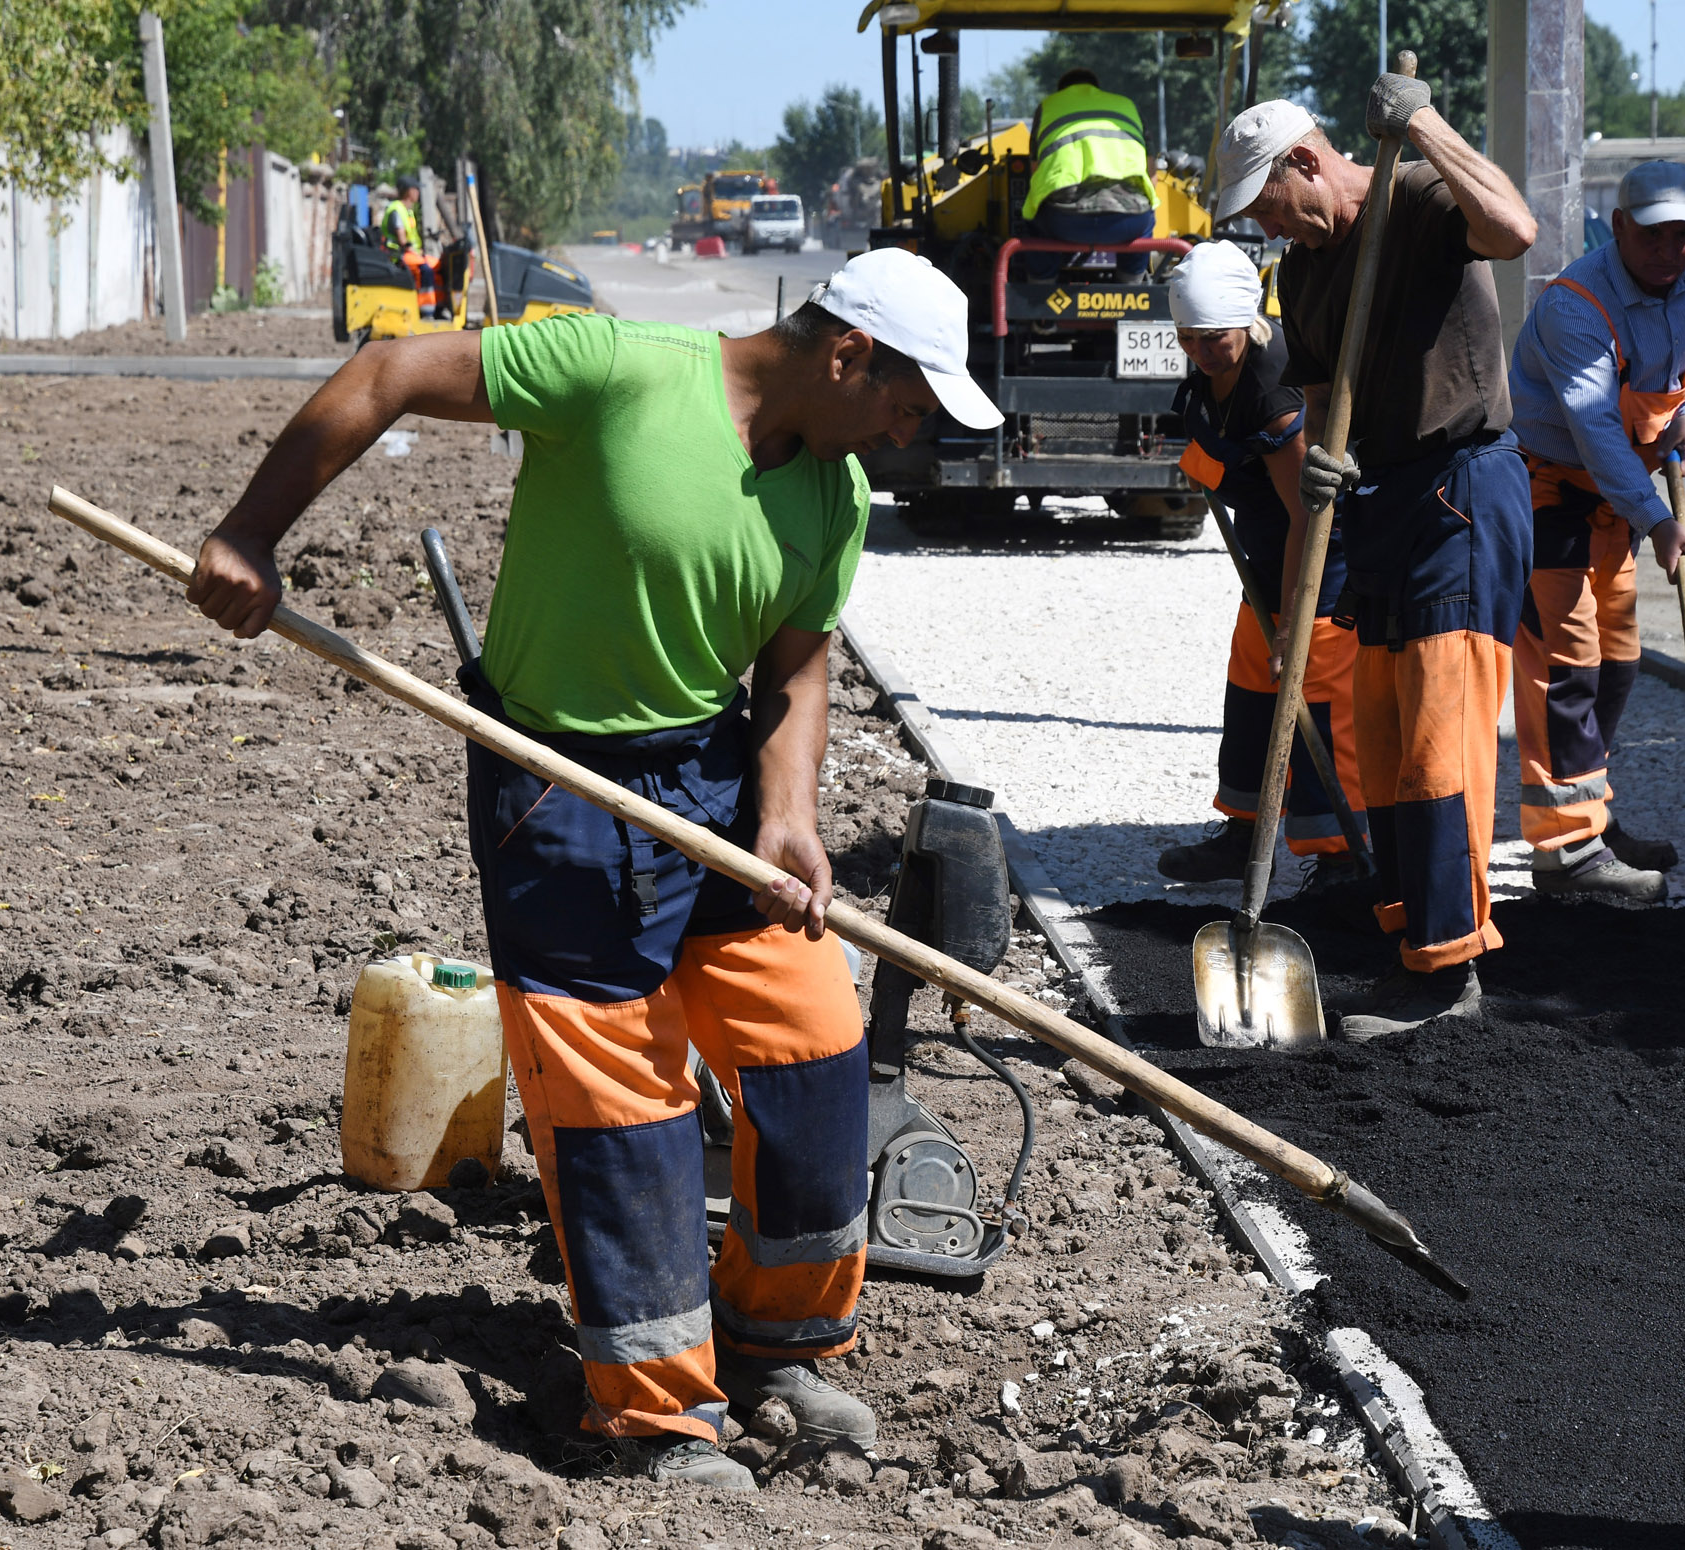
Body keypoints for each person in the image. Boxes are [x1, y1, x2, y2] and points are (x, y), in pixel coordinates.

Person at [182, 248, 1003, 1489]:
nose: (913, 431)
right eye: (911, 400)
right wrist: (250, 531)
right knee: (619, 1108)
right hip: (558, 789)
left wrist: (786, 816)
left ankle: (773, 1341)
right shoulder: (619, 370)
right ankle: (655, 1409)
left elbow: (790, 667)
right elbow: (392, 368)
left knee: (815, 1045)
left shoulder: (830, 494)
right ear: (848, 353)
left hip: (714, 781)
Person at [1211, 86, 1536, 1038]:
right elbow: (1319, 395)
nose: (1273, 229)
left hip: (1461, 491)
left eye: (1270, 206)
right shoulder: (1306, 277)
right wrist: (1318, 463)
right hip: (1383, 503)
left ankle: (1449, 968)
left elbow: (1515, 229)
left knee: (1440, 732)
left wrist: (1425, 123)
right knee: (1388, 742)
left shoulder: (1421, 197)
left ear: (1308, 162)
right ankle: (1413, 950)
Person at [1508, 161, 1685, 902]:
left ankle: (1592, 815)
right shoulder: (1575, 305)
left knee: (1617, 660)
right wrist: (1660, 521)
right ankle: (1565, 851)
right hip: (1547, 486)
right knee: (1567, 662)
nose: (1672, 249)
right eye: (1655, 234)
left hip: (1614, 500)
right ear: (1619, 228)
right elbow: (1595, 435)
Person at [1156, 239, 1367, 892]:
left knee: (1317, 699)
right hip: (1266, 560)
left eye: (1211, 338)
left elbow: (1309, 514)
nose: (1198, 350)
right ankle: (1245, 835)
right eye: (1187, 338)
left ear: (1245, 322)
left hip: (1319, 569)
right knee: (1252, 687)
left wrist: (1295, 617)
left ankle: (1340, 856)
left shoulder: (1274, 391)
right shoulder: (1212, 367)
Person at [1021, 67, 1157, 279]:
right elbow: (1152, 172)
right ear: (1096, 89)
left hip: (1064, 221)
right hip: (1127, 223)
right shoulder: (1127, 106)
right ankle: (1132, 287)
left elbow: (1035, 171)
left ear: (1062, 91)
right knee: (1147, 217)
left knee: (1032, 216)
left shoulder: (1049, 106)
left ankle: (1041, 291)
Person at [380, 175, 437, 320]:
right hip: (397, 255)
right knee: (426, 269)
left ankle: (439, 305)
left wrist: (420, 252)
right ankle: (427, 311)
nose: (418, 192)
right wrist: (415, 252)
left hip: (408, 253)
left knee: (436, 264)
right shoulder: (396, 210)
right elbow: (402, 239)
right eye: (416, 189)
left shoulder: (407, 211)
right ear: (408, 192)